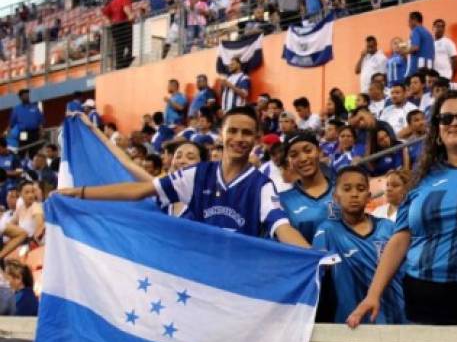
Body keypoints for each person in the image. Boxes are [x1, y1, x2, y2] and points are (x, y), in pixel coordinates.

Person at [57, 106, 308, 247]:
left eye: (246, 133)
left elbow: (282, 227)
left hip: (237, 281)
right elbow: (137, 189)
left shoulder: (261, 185)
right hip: (192, 274)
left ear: (256, 139)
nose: (239, 138)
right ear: (221, 134)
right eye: (233, 131)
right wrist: (79, 193)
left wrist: (312, 255)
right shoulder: (197, 176)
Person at [347, 89, 457, 327]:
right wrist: (373, 294)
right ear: (437, 128)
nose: (454, 123)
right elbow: (400, 238)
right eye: (446, 118)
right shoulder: (421, 179)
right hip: (419, 295)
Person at [314, 166, 406, 324]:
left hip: (394, 318)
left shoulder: (389, 228)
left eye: (361, 188)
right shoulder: (327, 231)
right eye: (347, 189)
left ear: (369, 196)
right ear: (336, 197)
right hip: (351, 322)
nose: (354, 194)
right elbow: (316, 268)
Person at [279, 133, 337, 244]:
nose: (303, 158)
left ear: (319, 152)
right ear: (289, 161)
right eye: (294, 155)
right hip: (309, 260)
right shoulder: (283, 201)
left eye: (308, 151)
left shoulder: (342, 189)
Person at [102, 0, 134, 69]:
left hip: (115, 27)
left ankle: (119, 65)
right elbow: (125, 8)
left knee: (119, 47)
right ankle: (126, 63)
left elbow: (105, 13)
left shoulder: (113, 1)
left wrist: (109, 21)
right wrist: (130, 16)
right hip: (124, 25)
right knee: (132, 45)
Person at [9, 89, 44, 158]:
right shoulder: (16, 109)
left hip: (34, 133)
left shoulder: (35, 107)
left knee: (34, 150)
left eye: (27, 95)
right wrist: (9, 134)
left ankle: (33, 166)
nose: (26, 96)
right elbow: (11, 124)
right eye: (24, 95)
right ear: (20, 97)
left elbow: (40, 121)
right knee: (22, 149)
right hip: (23, 133)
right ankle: (20, 165)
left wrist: (41, 132)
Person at [402, 11, 435, 78]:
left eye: (409, 21)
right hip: (428, 66)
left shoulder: (416, 30)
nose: (408, 24)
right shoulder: (428, 33)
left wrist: (403, 51)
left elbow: (415, 47)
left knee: (409, 83)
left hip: (417, 66)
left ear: (414, 20)